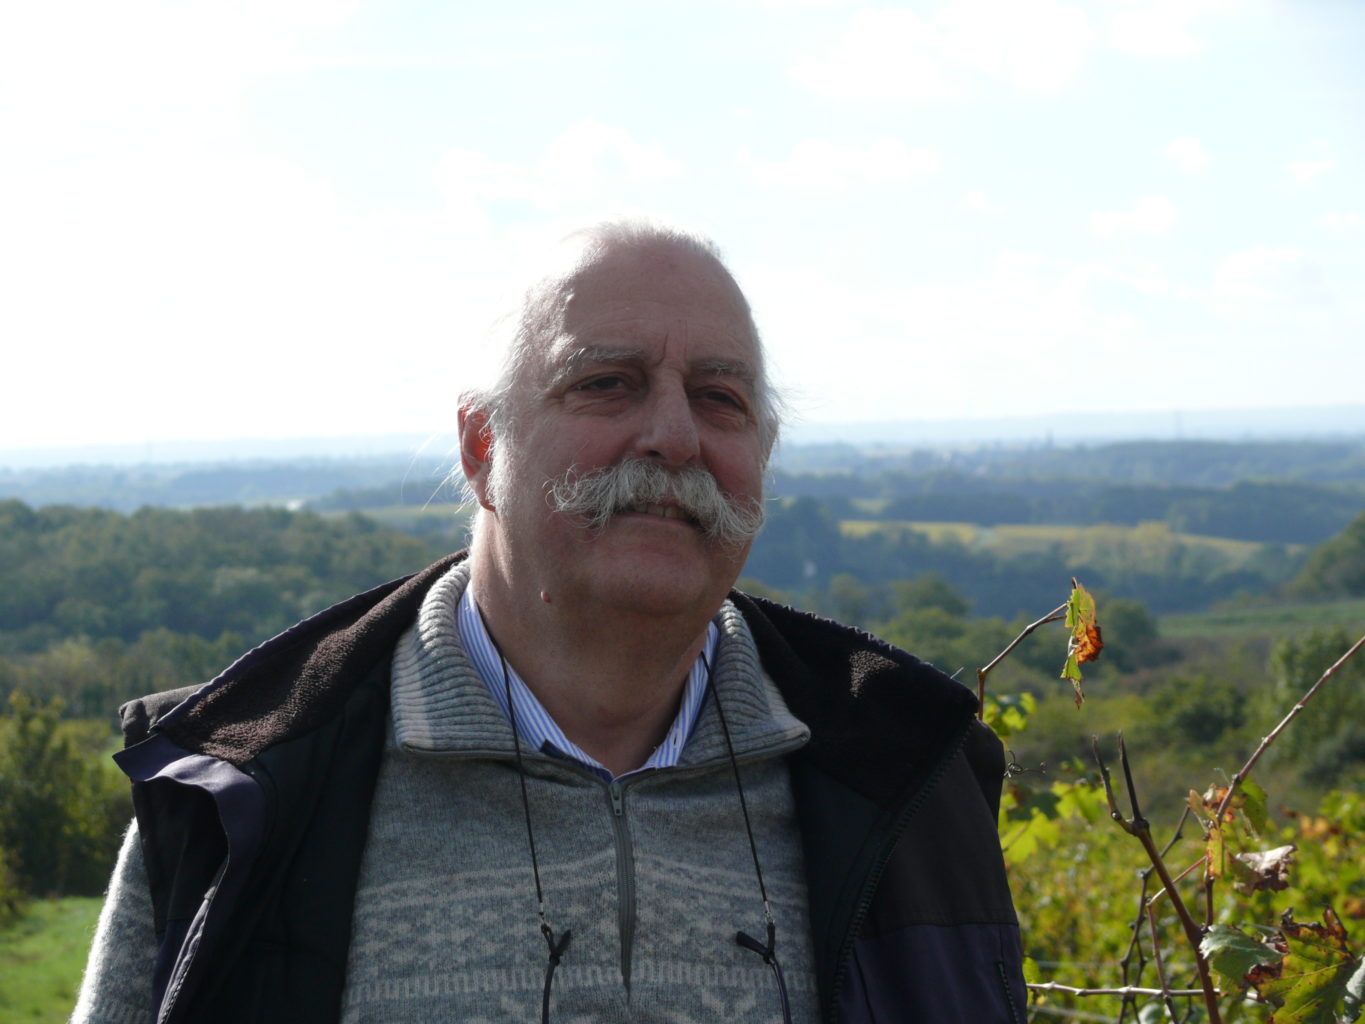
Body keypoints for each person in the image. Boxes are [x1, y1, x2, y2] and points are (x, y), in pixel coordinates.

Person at [73, 220, 1027, 1024]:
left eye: (719, 397)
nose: (674, 436)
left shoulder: (908, 782)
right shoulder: (246, 788)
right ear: (483, 447)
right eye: (604, 383)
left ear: (761, 456)